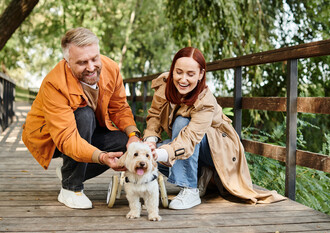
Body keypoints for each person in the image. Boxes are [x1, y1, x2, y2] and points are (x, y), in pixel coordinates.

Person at [143, 47, 286, 210]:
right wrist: (150, 142)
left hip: (217, 149)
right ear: (172, 70)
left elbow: (189, 139)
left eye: (190, 74)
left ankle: (189, 190)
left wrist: (158, 154)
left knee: (180, 123)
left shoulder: (206, 101)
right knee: (155, 154)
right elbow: (155, 114)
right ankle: (197, 179)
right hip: (189, 145)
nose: (183, 79)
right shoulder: (165, 86)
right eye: (179, 72)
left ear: (201, 75)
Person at [22, 27, 141, 209]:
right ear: (68, 62)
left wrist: (134, 135)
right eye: (82, 62)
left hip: (90, 128)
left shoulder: (111, 69)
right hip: (51, 137)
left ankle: (69, 172)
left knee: (123, 140)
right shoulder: (54, 84)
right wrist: (101, 157)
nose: (91, 67)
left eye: (94, 58)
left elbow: (120, 108)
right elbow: (67, 138)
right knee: (84, 115)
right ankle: (71, 187)